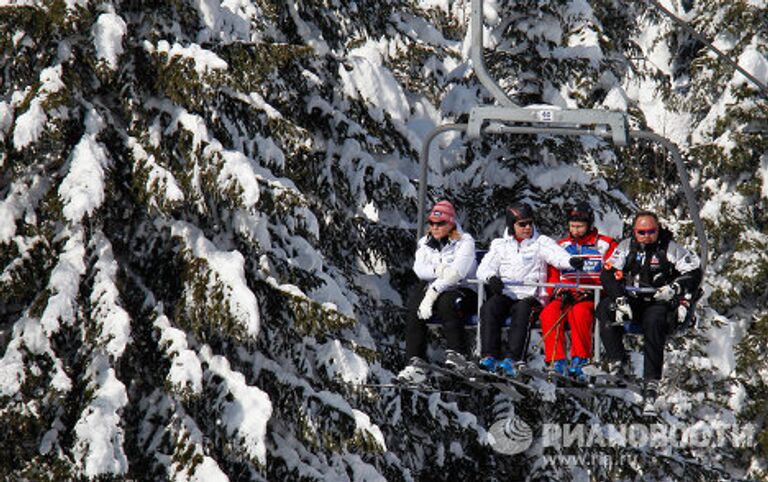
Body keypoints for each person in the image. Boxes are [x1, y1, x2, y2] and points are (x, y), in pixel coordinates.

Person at [596, 211, 702, 414]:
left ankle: (651, 379)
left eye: (651, 231)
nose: (646, 236)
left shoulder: (669, 249)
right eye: (641, 232)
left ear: (658, 229)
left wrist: (675, 288)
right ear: (634, 232)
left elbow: (693, 273)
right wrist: (619, 297)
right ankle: (618, 360)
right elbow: (608, 272)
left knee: (654, 321)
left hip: (658, 302)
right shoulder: (627, 247)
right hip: (633, 300)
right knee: (605, 308)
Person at [476, 203, 584, 377]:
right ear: (512, 226)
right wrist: (491, 278)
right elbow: (484, 268)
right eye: (522, 224)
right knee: (489, 308)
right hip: (507, 293)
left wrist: (571, 261)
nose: (527, 228)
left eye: (530, 223)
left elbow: (557, 255)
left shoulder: (540, 242)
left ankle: (513, 359)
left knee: (522, 311)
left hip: (530, 296)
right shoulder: (500, 245)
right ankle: (489, 356)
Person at [397, 200, 478, 383]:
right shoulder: (425, 243)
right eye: (432, 223)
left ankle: (458, 353)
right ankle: (415, 362)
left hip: (464, 288)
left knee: (447, 301)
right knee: (415, 304)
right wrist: (438, 271)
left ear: (450, 223)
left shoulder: (465, 242)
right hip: (435, 288)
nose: (435, 227)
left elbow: (457, 273)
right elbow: (419, 269)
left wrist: (433, 291)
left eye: (440, 223)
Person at [539, 202, 618, 380]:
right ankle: (556, 361)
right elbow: (553, 274)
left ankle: (580, 359)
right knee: (549, 313)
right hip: (567, 292)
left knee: (580, 313)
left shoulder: (604, 244)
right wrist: (557, 290)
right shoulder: (562, 246)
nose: (575, 230)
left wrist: (597, 291)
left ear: (589, 224)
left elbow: (613, 273)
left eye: (580, 226)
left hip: (592, 295)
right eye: (572, 226)